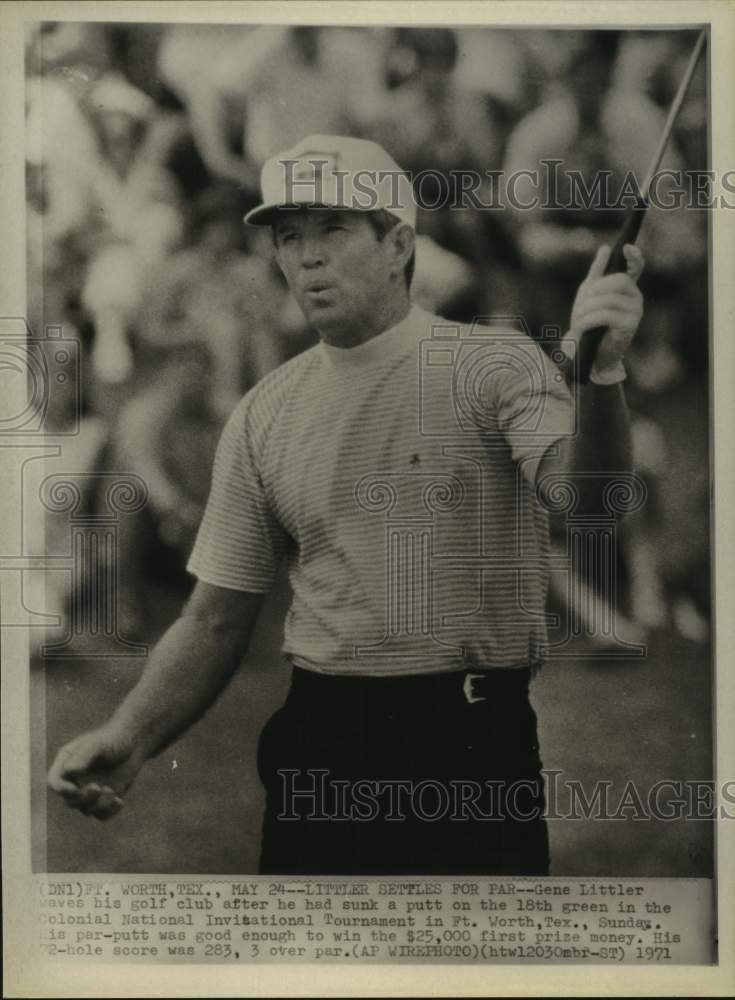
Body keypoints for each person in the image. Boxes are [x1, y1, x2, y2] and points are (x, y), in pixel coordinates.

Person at [48, 135, 644, 876]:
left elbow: (589, 509)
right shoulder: (264, 411)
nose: (306, 257)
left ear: (397, 244)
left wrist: (605, 370)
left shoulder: (494, 364)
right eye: (289, 237)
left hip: (471, 740)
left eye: (332, 230)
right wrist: (130, 734)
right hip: (319, 740)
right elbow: (213, 616)